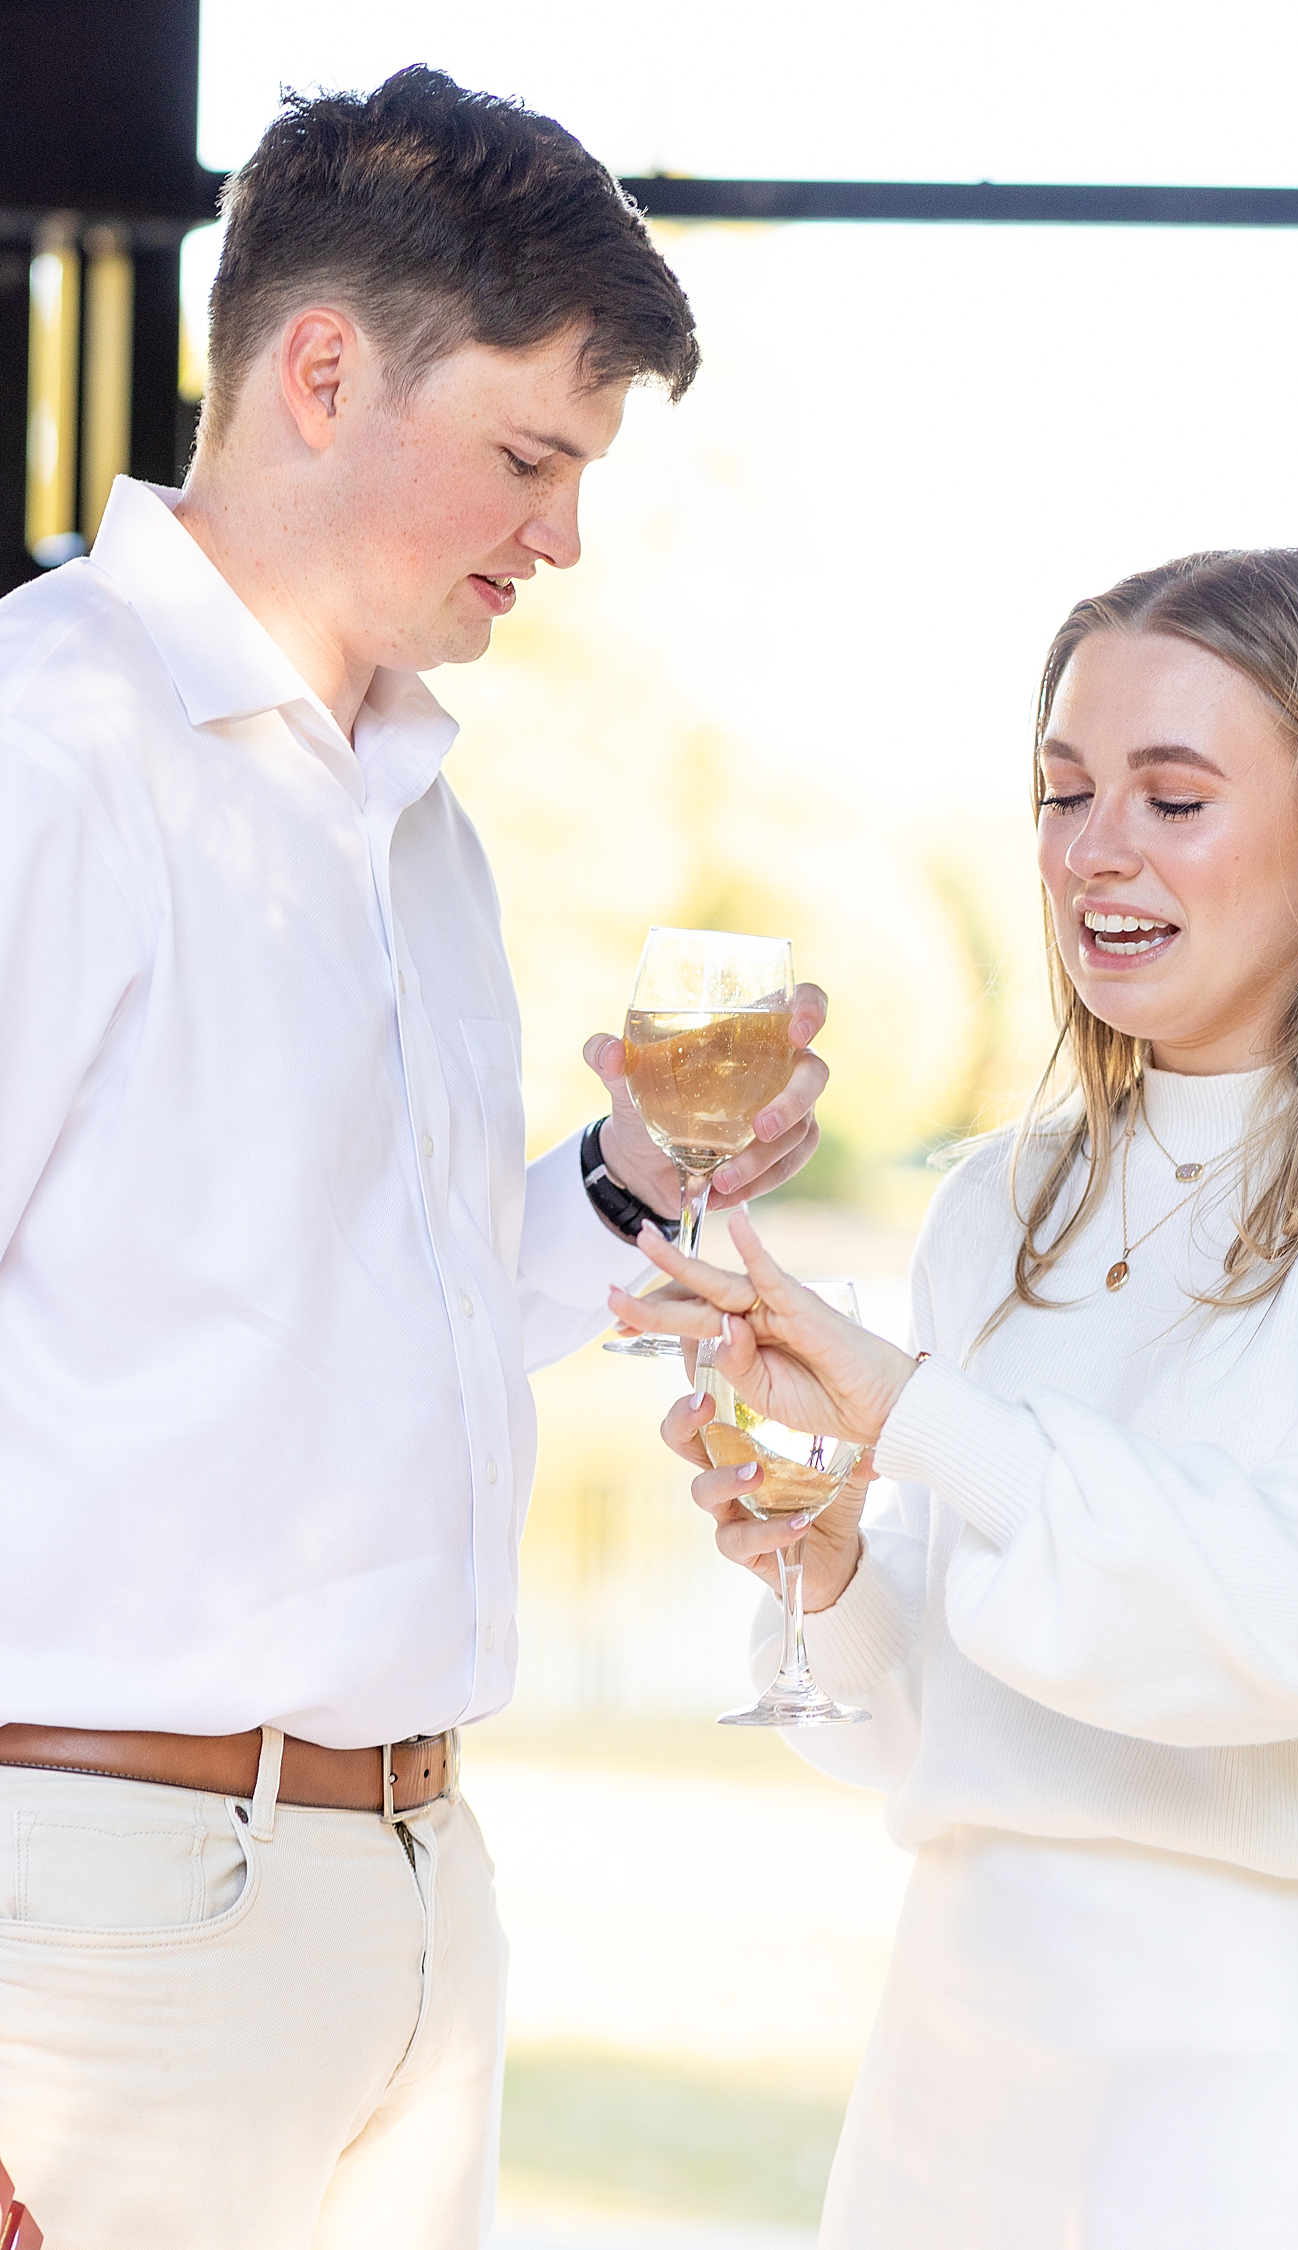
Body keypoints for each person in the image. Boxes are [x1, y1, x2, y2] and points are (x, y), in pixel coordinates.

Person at [0, 68, 827, 2250]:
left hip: (418, 1896)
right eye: (534, 457)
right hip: (91, 1926)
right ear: (323, 367)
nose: (563, 535)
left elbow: (421, 1310)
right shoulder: (42, 748)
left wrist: (630, 1181)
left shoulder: (423, 827)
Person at [617, 548, 1298, 2248]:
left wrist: (917, 1410)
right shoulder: (1001, 1203)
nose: (1097, 849)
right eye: (1065, 789)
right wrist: (824, 1570)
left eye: (1175, 798)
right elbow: (938, 1726)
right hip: (964, 2052)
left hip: (1263, 2078)